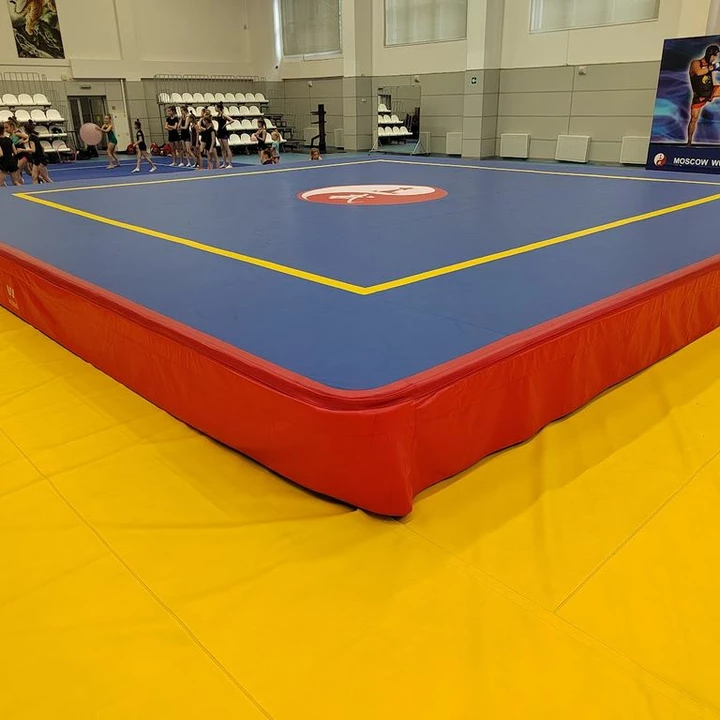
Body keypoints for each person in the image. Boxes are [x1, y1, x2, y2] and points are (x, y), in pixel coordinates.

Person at [688, 44, 720, 144]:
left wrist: (712, 94)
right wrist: (714, 67)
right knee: (694, 118)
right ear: (709, 54)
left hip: (710, 91)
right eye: (714, 56)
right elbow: (698, 72)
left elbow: (711, 80)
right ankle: (689, 141)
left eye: (716, 56)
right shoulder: (696, 63)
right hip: (699, 96)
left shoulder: (711, 65)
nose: (715, 58)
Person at [215, 102, 233, 169]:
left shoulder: (223, 115)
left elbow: (232, 120)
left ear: (219, 108)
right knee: (222, 149)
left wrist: (226, 124)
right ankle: (224, 163)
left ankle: (230, 164)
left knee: (227, 148)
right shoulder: (218, 115)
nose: (215, 108)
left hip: (224, 132)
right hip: (219, 131)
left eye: (216, 107)